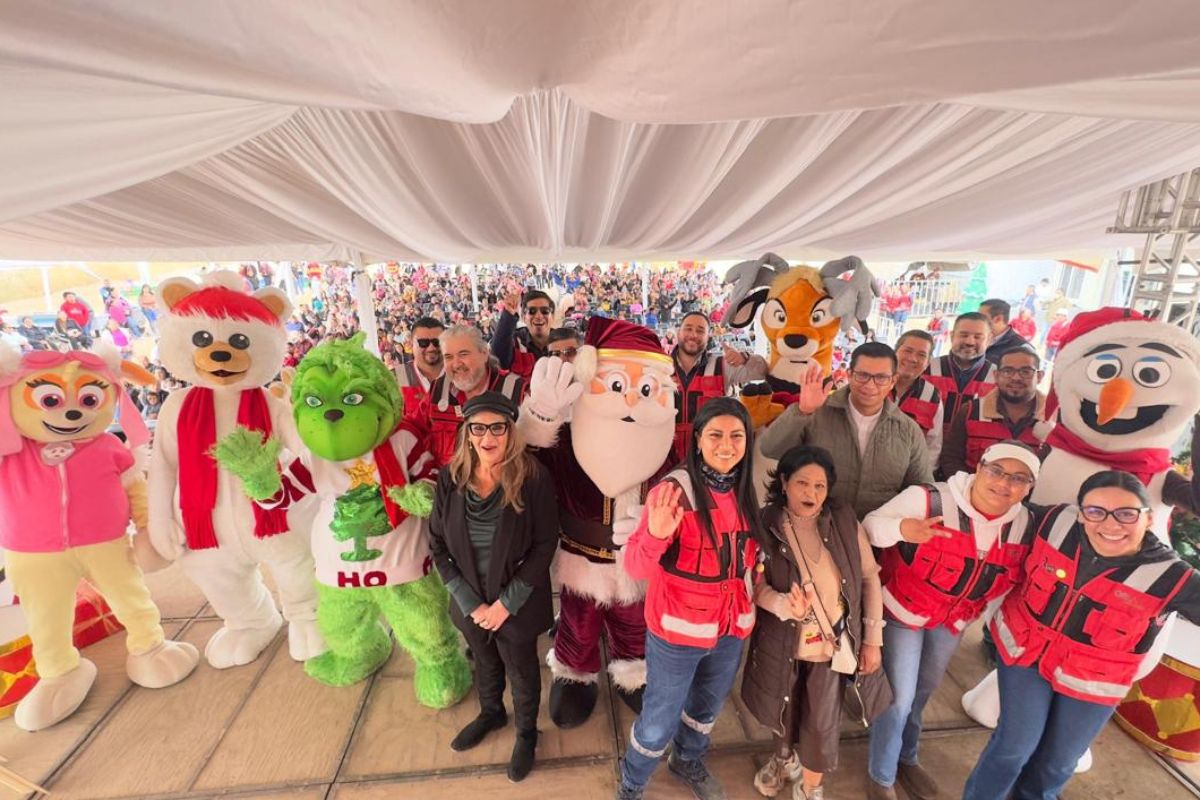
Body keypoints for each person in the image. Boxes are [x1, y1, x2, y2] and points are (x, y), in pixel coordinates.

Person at [964, 470, 1200, 800]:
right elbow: (988, 507)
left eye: (1126, 514)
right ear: (1080, 513)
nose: (1110, 524)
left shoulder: (1172, 576)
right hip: (1025, 654)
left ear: (1148, 519)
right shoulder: (1052, 522)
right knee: (1013, 747)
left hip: (1094, 681)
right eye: (1095, 511)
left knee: (1057, 764)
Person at [863, 442, 1042, 800]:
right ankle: (881, 776)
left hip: (952, 623)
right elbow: (869, 528)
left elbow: (1011, 584)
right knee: (899, 697)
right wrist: (903, 529)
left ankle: (906, 757)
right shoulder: (929, 499)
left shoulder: (1025, 524)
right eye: (996, 471)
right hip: (902, 613)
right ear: (979, 467)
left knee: (924, 692)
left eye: (1018, 478)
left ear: (1028, 487)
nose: (1004, 484)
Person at [616, 398, 764, 800]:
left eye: (737, 436)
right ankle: (632, 780)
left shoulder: (746, 487)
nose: (727, 445)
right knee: (659, 718)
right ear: (697, 439)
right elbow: (634, 568)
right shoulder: (672, 493)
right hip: (677, 634)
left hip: (730, 629)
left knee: (706, 708)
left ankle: (687, 760)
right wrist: (656, 533)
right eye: (715, 434)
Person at [428, 392, 559, 783]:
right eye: (479, 428)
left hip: (515, 602)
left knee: (521, 670)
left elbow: (545, 543)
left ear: (510, 432)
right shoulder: (450, 478)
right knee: (484, 661)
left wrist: (506, 604)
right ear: (468, 433)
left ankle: (526, 733)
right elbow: (436, 544)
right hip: (470, 601)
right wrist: (470, 603)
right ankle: (491, 713)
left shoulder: (532, 477)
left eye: (497, 427)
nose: (488, 436)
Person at [742, 446, 884, 800]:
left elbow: (869, 578)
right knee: (782, 712)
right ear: (785, 482)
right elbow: (752, 585)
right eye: (803, 483)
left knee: (821, 725)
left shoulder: (844, 520)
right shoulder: (764, 523)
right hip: (782, 643)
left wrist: (872, 639)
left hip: (831, 647)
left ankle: (810, 788)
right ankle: (782, 759)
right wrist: (781, 604)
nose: (812, 493)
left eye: (820, 486)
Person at [760, 343, 933, 519]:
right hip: (818, 529)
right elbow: (770, 448)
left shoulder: (908, 430)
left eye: (881, 378)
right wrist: (802, 411)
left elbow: (922, 489)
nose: (870, 385)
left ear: (893, 381)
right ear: (849, 375)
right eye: (862, 375)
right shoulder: (816, 412)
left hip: (880, 537)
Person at [417, 324, 525, 467]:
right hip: (447, 485)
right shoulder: (438, 389)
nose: (456, 364)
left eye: (463, 354)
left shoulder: (516, 390)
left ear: (484, 354)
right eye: (448, 357)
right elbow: (415, 429)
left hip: (501, 485)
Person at [670, 311, 767, 462]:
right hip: (667, 456)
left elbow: (762, 372)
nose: (693, 334)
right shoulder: (661, 367)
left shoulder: (722, 365)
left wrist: (744, 359)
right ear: (678, 332)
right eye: (688, 328)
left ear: (708, 336)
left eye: (700, 331)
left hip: (710, 459)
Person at [939, 346, 1047, 479]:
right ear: (996, 376)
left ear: (1040, 376)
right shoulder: (970, 411)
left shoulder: (1055, 419)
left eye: (1026, 371)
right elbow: (951, 458)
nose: (1016, 377)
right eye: (1007, 371)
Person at [924, 312, 997, 434]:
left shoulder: (998, 377)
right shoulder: (927, 368)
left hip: (973, 449)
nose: (970, 342)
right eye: (963, 335)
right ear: (952, 336)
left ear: (989, 340)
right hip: (927, 446)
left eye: (978, 337)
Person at [891, 331, 944, 465]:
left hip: (908, 477)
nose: (913, 359)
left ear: (928, 362)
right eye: (907, 351)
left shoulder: (932, 396)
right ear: (894, 352)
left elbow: (933, 447)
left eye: (921, 355)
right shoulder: (872, 384)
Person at [491, 288, 555, 381]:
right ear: (524, 317)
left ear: (552, 316)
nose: (539, 316)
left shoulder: (563, 342)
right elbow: (498, 359)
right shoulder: (516, 342)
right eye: (532, 311)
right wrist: (509, 314)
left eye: (545, 311)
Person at [396, 316, 444, 414]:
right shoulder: (399, 375)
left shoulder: (459, 374)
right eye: (423, 343)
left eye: (437, 342)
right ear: (411, 344)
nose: (431, 348)